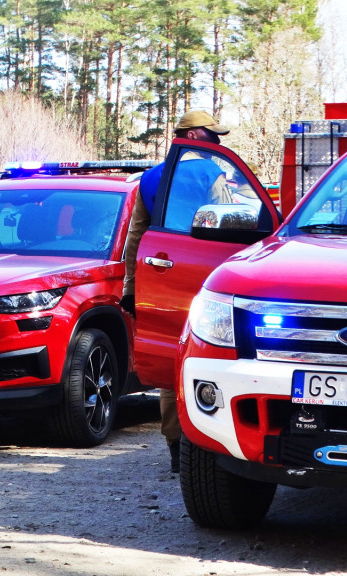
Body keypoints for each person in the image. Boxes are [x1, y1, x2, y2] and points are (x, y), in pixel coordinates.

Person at [120, 110, 230, 473]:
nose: (218, 141)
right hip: (207, 281)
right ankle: (211, 443)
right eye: (212, 135)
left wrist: (131, 290)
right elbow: (230, 223)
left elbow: (138, 238)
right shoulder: (212, 173)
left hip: (164, 281)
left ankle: (175, 446)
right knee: (211, 360)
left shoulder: (150, 180)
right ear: (194, 135)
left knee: (171, 364)